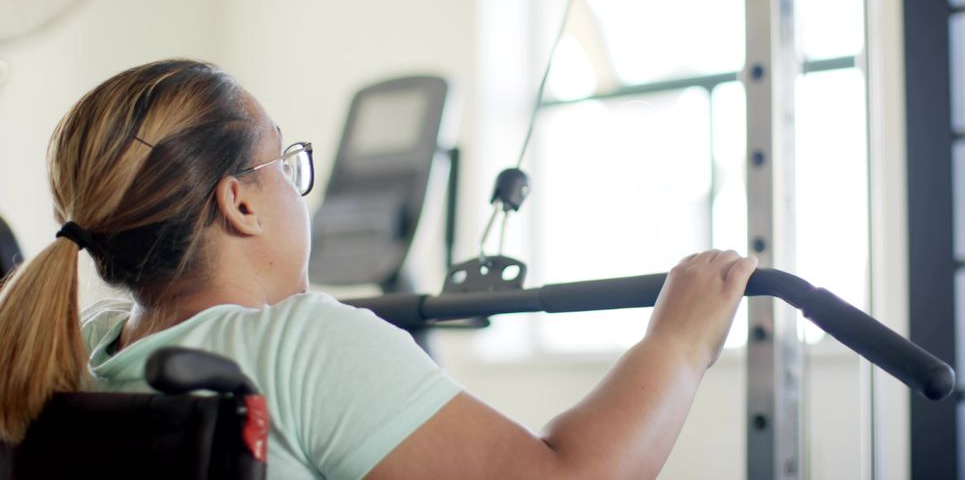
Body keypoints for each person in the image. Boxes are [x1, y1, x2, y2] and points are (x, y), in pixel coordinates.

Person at [0, 59, 756, 479]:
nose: (301, 187)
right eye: (285, 163)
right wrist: (679, 344)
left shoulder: (74, 348)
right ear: (240, 203)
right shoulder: (300, 344)